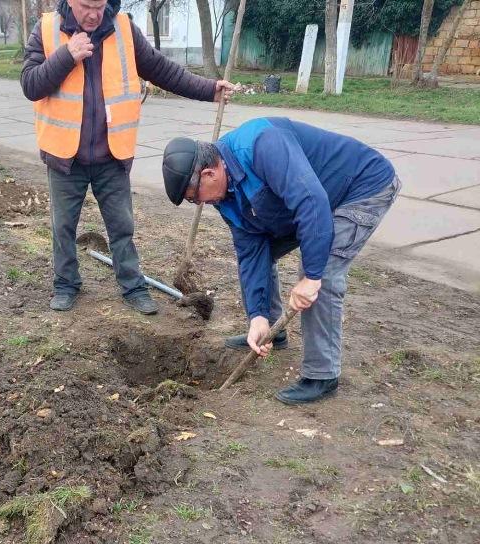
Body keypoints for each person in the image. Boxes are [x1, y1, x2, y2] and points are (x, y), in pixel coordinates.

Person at [161, 118, 400, 404]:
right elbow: (252, 253)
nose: (198, 203)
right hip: (309, 201)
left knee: (322, 270)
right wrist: (257, 316)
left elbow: (311, 203)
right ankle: (273, 330)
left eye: (193, 197)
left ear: (209, 173)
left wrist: (311, 278)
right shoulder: (223, 196)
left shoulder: (263, 145)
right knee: (266, 254)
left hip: (360, 187)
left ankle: (322, 374)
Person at [21, 0, 233, 314]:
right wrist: (67, 56)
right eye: (85, 7)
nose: (93, 14)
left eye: (99, 5)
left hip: (111, 155)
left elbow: (161, 69)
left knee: (122, 227)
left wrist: (208, 89)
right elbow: (30, 84)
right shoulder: (47, 29)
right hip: (65, 156)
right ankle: (66, 284)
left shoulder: (122, 28)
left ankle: (133, 287)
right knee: (63, 227)